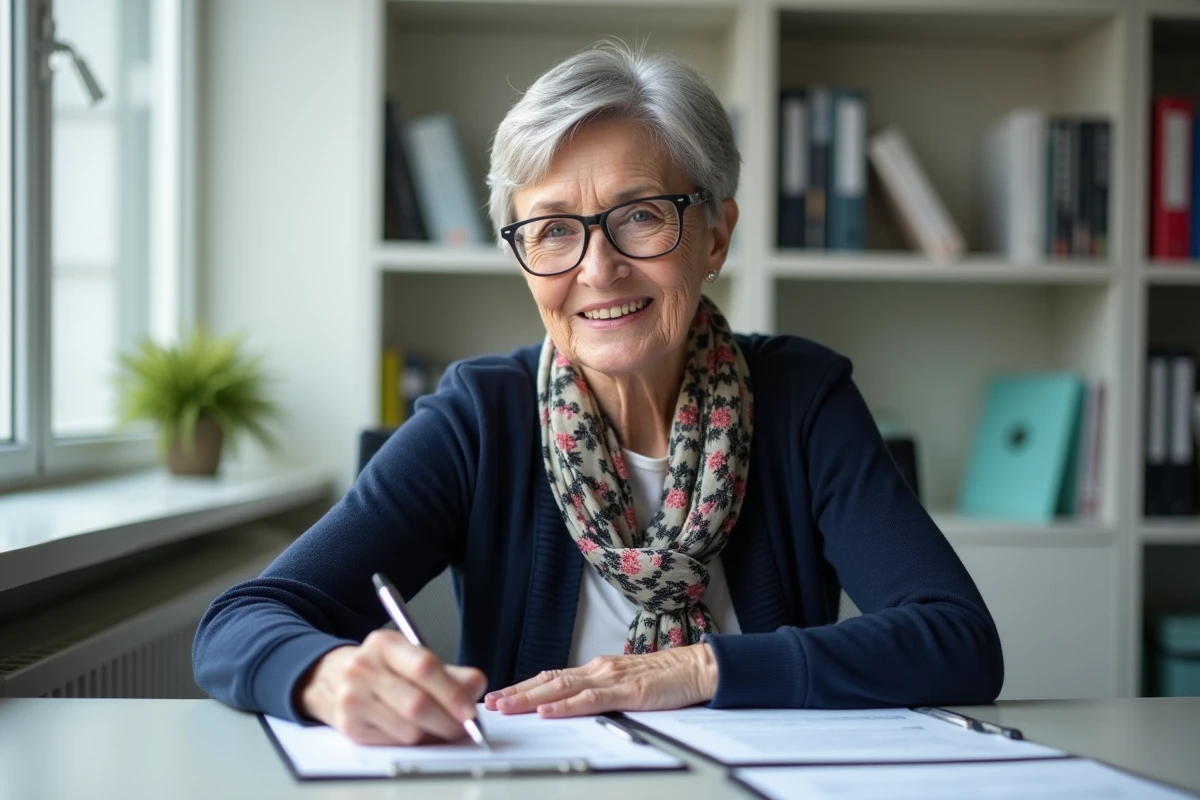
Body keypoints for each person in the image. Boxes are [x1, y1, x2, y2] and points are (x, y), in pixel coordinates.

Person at [193, 41, 1003, 746]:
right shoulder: (482, 417)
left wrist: (697, 669)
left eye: (641, 216)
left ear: (716, 235)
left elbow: (957, 639)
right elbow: (237, 623)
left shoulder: (803, 399)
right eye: (552, 230)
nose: (598, 268)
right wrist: (328, 677)